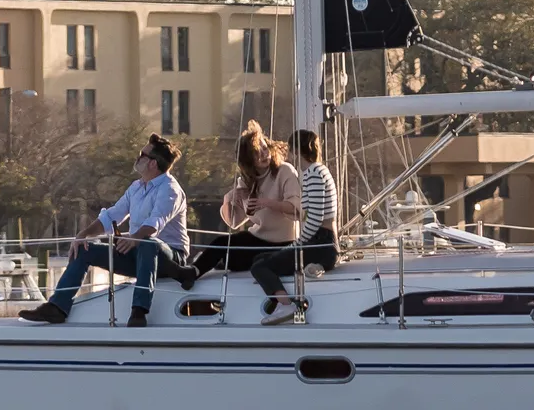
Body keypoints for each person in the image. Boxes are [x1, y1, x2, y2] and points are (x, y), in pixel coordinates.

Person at [19, 134, 193, 327]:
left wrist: (135, 238)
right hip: (138, 253)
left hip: (170, 258)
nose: (137, 157)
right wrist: (83, 235)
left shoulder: (170, 189)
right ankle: (57, 308)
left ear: (153, 163)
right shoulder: (136, 187)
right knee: (85, 248)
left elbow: (156, 222)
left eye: (141, 154)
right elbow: (111, 216)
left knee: (147, 243)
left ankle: (139, 312)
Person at [190, 120, 301, 278]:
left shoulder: (284, 171)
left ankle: (228, 263)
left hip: (283, 243)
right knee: (221, 244)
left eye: (264, 148)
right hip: (257, 239)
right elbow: (234, 222)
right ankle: (193, 272)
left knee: (246, 260)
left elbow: (296, 210)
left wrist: (267, 203)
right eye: (256, 153)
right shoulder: (247, 181)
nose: (263, 154)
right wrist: (229, 199)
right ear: (248, 160)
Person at [251, 128, 339, 325]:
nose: (289, 155)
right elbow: (312, 215)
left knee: (260, 266)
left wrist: (295, 245)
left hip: (320, 244)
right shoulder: (318, 170)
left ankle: (286, 305)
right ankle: (278, 296)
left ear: (298, 152)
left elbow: (314, 220)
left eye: (291, 150)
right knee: (259, 258)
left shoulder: (313, 174)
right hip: (322, 242)